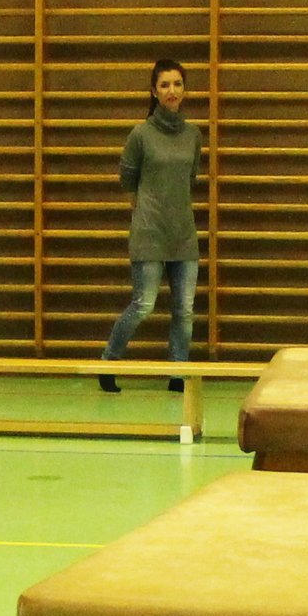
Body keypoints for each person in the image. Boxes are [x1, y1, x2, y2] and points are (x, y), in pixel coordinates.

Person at [98, 58, 202, 393]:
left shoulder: (193, 135)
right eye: (164, 84)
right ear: (154, 92)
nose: (172, 90)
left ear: (184, 90)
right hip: (149, 234)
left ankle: (177, 374)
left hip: (184, 236)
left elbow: (190, 178)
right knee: (143, 305)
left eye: (177, 84)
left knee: (184, 311)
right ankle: (108, 362)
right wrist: (146, 213)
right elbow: (127, 181)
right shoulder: (140, 135)